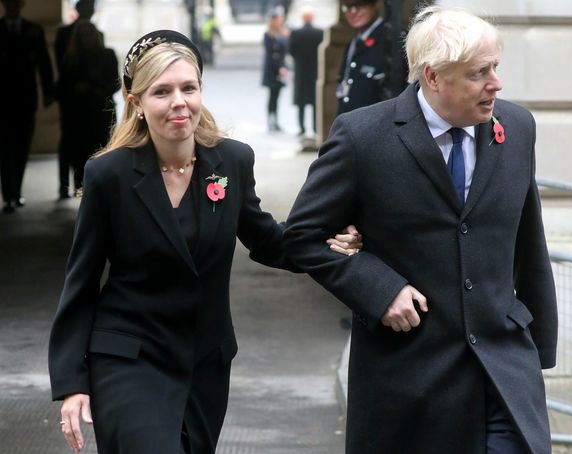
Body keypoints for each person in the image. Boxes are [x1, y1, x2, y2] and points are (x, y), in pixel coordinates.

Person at [47, 30, 361, 453]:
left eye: (188, 88)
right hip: (128, 359)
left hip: (204, 362)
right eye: (162, 91)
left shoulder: (231, 161)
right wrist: (71, 382)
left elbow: (266, 239)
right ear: (136, 103)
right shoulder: (109, 176)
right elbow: (80, 283)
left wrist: (330, 241)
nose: (179, 101)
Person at [285, 7, 558, 454]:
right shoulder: (362, 137)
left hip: (505, 375)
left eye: (495, 67)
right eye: (479, 73)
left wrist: (538, 348)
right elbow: (303, 236)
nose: (496, 83)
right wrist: (379, 288)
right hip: (410, 385)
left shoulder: (518, 127)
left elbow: (530, 241)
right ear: (433, 77)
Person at [0, 0, 54, 213]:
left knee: (22, 146)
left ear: (21, 5)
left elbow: (44, 63)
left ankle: (16, 191)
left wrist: (48, 92)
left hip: (25, 98)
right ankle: (9, 195)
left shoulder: (34, 30)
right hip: (2, 100)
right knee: (5, 147)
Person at [56, 20, 119, 194]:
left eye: (89, 34)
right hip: (78, 113)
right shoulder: (71, 59)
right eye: (83, 35)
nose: (87, 38)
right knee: (79, 152)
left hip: (101, 111)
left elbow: (115, 83)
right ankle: (81, 187)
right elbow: (63, 86)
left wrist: (94, 88)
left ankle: (101, 187)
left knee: (102, 149)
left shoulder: (107, 55)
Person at [54, 0, 103, 199]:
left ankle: (81, 185)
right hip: (72, 100)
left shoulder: (97, 34)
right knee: (68, 143)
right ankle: (65, 184)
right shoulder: (64, 34)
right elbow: (61, 66)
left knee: (88, 143)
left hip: (91, 103)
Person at [335, 0, 387, 115]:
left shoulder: (389, 39)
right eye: (348, 7)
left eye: (360, 5)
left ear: (373, 5)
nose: (353, 11)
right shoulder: (354, 43)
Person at [288, 6, 323, 137]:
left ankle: (302, 128)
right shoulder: (319, 32)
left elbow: (291, 51)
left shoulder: (296, 33)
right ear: (312, 18)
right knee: (315, 102)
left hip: (301, 71)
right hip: (315, 71)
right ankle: (315, 127)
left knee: (301, 103)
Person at [262, 7, 289, 132]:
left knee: (277, 96)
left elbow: (284, 53)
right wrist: (280, 68)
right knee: (272, 96)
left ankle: (275, 121)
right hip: (272, 71)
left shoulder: (283, 33)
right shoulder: (268, 35)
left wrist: (284, 67)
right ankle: (270, 121)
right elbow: (273, 55)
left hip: (280, 69)